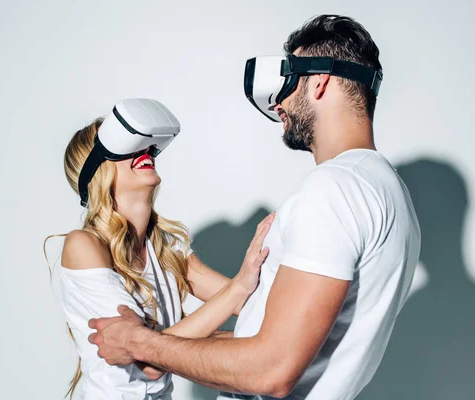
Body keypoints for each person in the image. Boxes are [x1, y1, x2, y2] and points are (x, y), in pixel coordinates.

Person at [88, 15, 421, 400]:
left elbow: (271, 369)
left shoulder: (334, 188)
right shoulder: (389, 191)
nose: (277, 101)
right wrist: (167, 344)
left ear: (319, 82)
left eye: (286, 84)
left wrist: (138, 343)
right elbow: (292, 343)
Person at [45, 110, 275, 399]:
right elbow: (149, 362)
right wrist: (238, 288)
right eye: (124, 146)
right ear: (97, 168)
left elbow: (251, 303)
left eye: (142, 144)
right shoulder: (84, 246)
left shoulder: (166, 247)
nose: (142, 151)